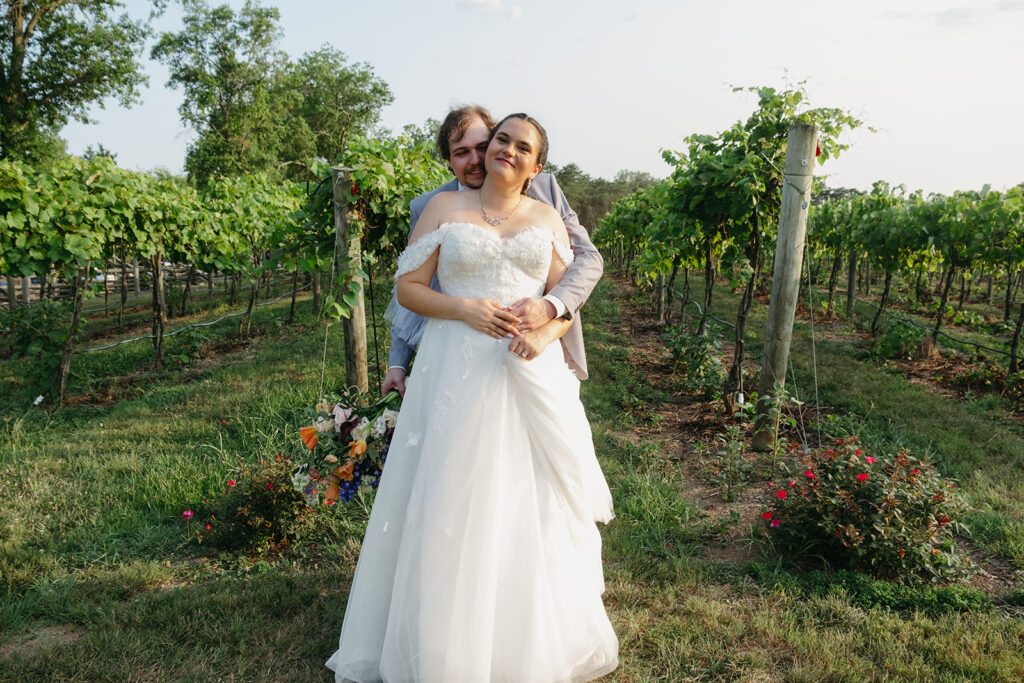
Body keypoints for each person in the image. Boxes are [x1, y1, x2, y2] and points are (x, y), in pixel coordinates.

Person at [325, 113, 618, 682]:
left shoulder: (547, 215)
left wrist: (545, 328)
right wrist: (462, 310)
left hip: (528, 375)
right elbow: (408, 290)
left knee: (526, 498)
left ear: (537, 165)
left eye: (515, 145)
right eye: (496, 141)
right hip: (454, 370)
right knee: (453, 494)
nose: (499, 151)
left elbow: (569, 296)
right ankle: (442, 641)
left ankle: (523, 641)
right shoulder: (438, 209)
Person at [382, 105, 603, 396]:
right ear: (448, 161)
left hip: (529, 356)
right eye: (461, 153)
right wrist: (397, 363)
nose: (474, 160)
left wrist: (550, 310)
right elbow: (411, 283)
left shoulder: (544, 192)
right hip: (454, 355)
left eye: (482, 147)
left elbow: (587, 259)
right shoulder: (431, 206)